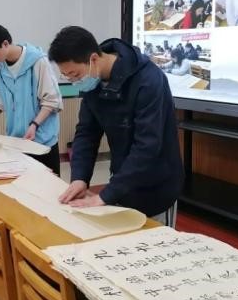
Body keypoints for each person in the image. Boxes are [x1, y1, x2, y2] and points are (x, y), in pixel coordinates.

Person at [48, 26, 183, 225]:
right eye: (66, 76)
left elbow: (147, 147)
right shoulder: (93, 82)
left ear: (94, 59)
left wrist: (106, 195)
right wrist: (80, 178)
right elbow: (86, 133)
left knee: (155, 240)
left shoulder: (149, 80)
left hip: (156, 185)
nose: (74, 82)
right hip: (123, 181)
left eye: (75, 75)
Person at [0, 24, 62, 176]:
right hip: (16, 142)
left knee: (49, 185)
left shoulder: (38, 62)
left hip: (42, 141)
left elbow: (51, 101)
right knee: (22, 185)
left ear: (5, 44)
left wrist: (34, 125)